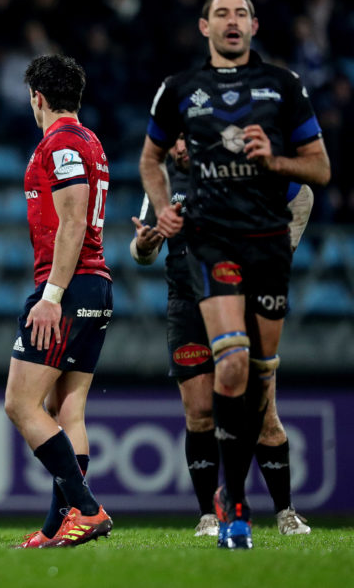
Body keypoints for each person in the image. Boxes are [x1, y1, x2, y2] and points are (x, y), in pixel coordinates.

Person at [139, 0, 331, 550]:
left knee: (260, 391)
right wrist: (159, 224)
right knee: (223, 379)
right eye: (220, 13)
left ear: (253, 24)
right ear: (204, 27)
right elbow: (147, 178)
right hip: (203, 262)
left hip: (265, 254)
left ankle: (281, 507)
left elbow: (318, 172)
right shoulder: (180, 96)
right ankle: (230, 507)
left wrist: (272, 159)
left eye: (240, 13)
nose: (231, 22)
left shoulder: (283, 87)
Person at [131, 134, 313, 537]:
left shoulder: (236, 170)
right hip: (186, 306)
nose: (179, 148)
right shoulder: (161, 180)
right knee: (198, 414)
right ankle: (207, 516)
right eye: (174, 140)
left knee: (264, 415)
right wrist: (143, 244)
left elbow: (301, 195)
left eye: (185, 139)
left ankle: (285, 512)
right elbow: (142, 252)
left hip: (238, 302)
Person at [4, 54, 113, 549]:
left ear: (37, 98)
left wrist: (50, 296)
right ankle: (57, 526)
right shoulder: (91, 141)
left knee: (20, 404)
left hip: (66, 288)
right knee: (66, 408)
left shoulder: (62, 143)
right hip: (94, 286)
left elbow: (71, 222)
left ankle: (86, 509)